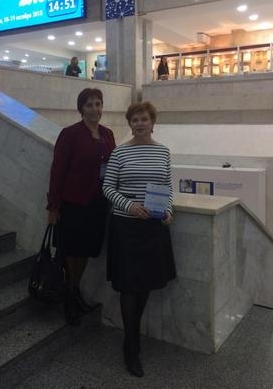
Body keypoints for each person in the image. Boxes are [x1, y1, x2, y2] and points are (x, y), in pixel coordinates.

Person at [102, 101, 176, 378]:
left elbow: (167, 186)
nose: (140, 123)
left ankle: (131, 339)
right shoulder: (120, 153)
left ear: (152, 122)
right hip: (126, 226)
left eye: (144, 119)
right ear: (130, 124)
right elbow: (107, 188)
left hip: (152, 227)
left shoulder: (163, 152)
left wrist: (169, 210)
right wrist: (130, 206)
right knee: (128, 286)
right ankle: (131, 345)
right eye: (135, 120)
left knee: (144, 283)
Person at [47, 88, 116, 326]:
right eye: (89, 105)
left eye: (98, 104)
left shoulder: (107, 134)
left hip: (98, 204)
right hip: (74, 203)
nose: (95, 109)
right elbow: (57, 171)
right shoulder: (70, 134)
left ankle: (75, 291)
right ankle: (69, 296)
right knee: (72, 251)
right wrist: (53, 206)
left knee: (86, 250)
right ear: (81, 108)